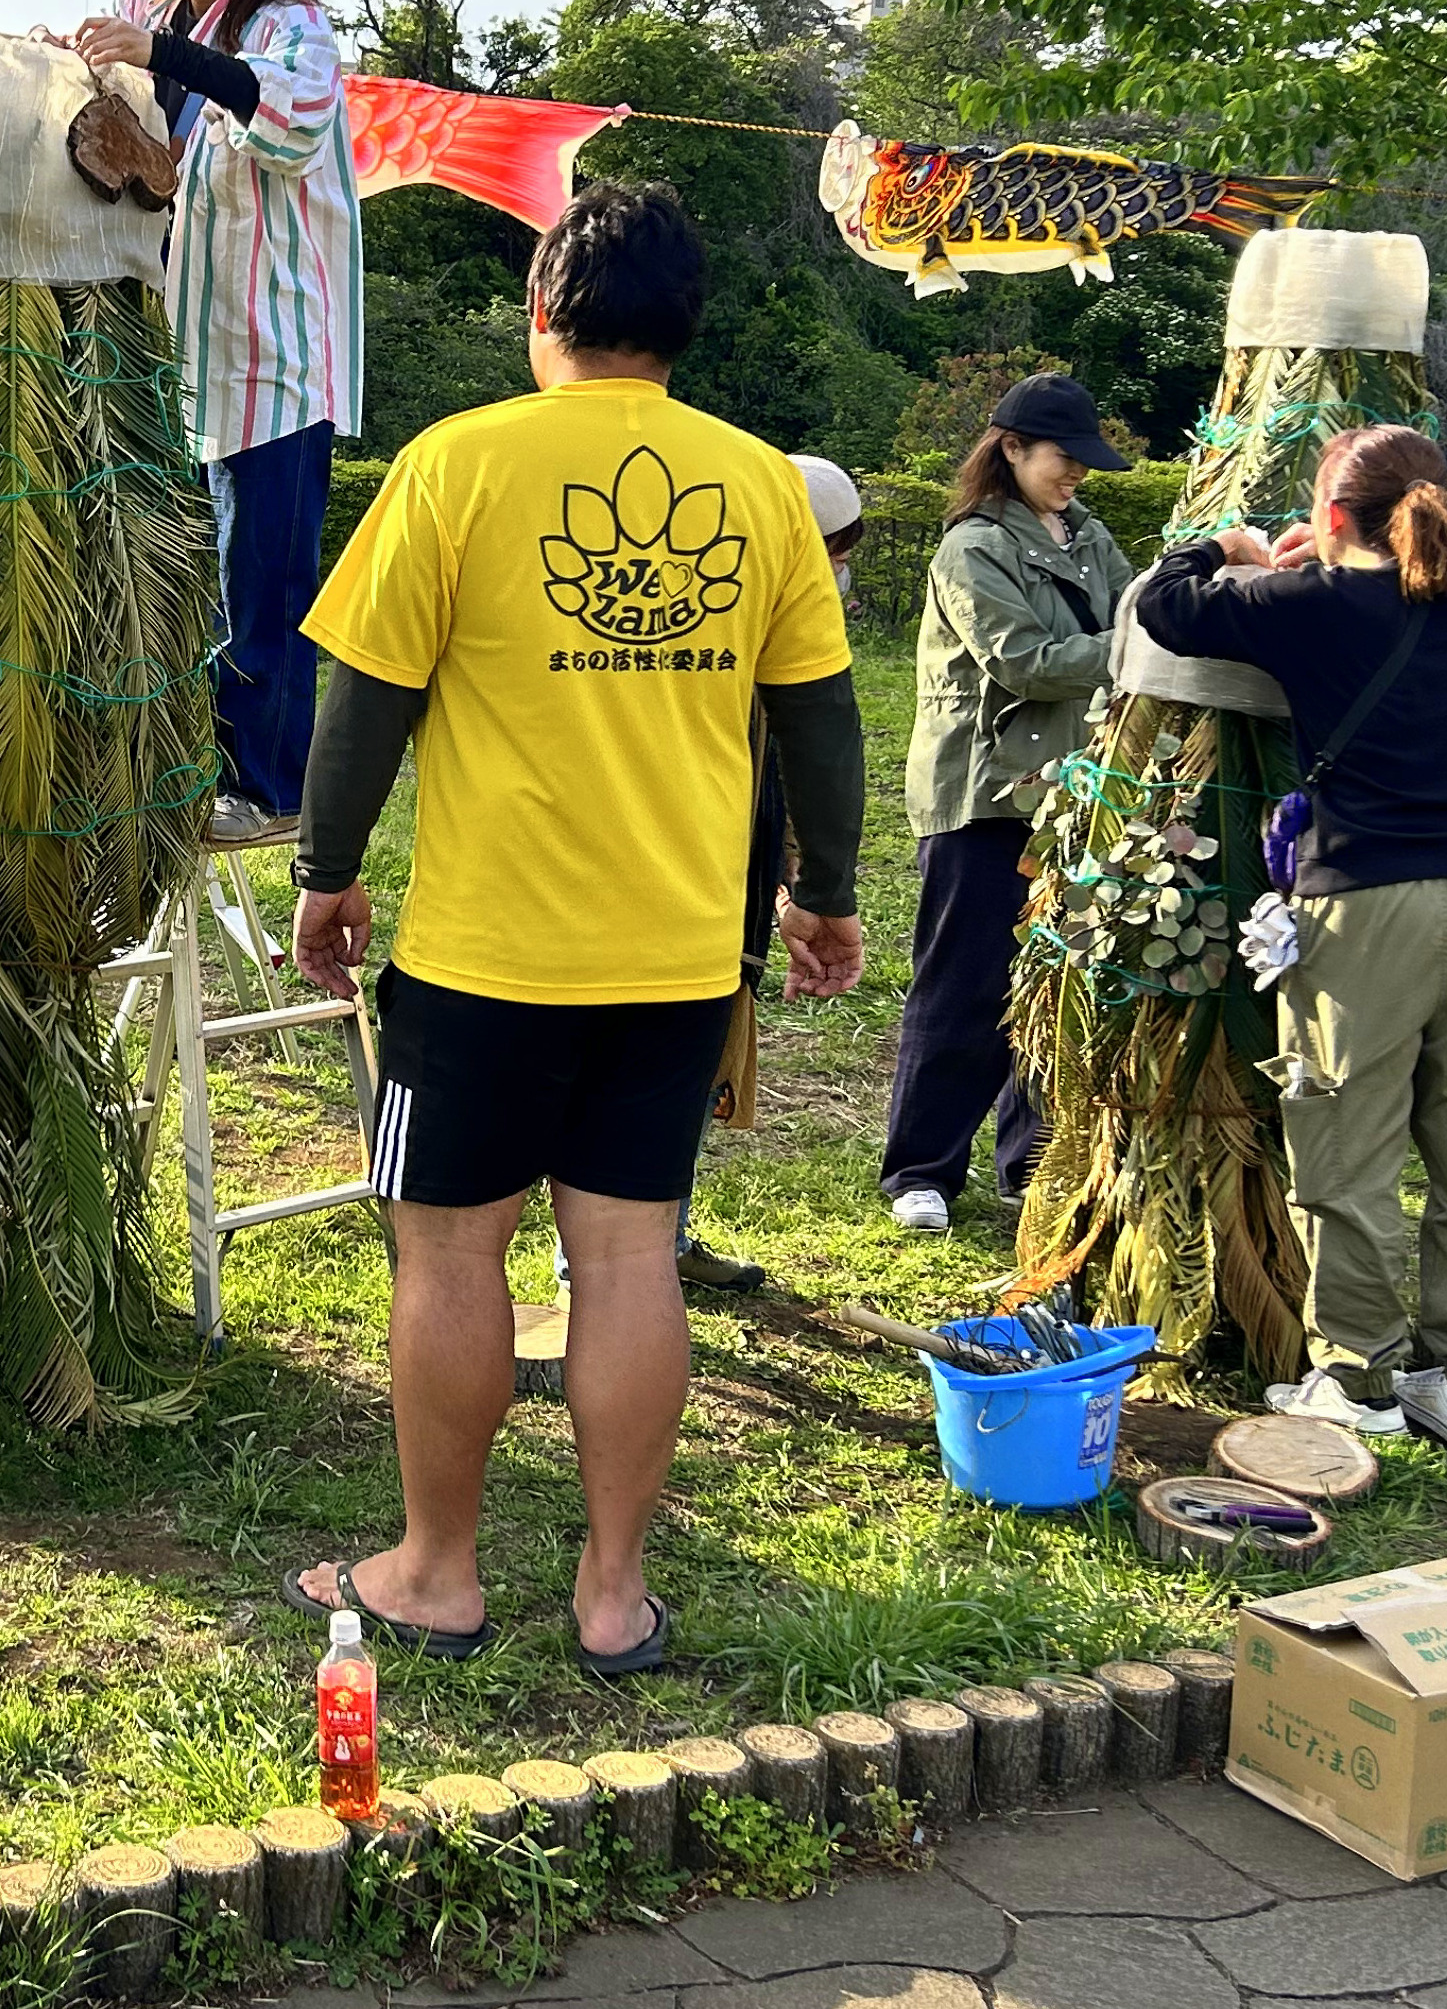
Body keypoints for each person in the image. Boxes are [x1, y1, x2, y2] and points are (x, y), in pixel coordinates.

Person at [280, 182, 866, 1669]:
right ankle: (612, 1595)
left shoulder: (455, 462)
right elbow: (819, 719)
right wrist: (825, 894)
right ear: (683, 328)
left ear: (541, 310)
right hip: (676, 963)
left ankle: (434, 1573)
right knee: (626, 1261)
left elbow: (365, 698)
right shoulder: (760, 487)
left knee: (446, 1254)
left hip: (481, 964)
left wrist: (327, 870)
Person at [1135, 427, 1447, 1456]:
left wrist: (1230, 550)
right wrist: (1332, 551)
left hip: (1362, 904)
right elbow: (1398, 595)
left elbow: (1163, 606)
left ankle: (1356, 1374)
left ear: (1333, 514)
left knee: (1344, 1146)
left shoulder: (1302, 604)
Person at [69, 0, 364, 845]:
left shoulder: (291, 26)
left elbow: (289, 124)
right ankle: (197, 767)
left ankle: (270, 790)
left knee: (262, 588)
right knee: (195, 583)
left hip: (276, 359)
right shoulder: (154, 8)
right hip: (188, 359)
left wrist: (160, 54)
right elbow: (94, 55)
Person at [559, 452, 870, 1304]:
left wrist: (791, 883)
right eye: (831, 554)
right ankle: (597, 1263)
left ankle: (662, 1236)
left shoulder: (784, 627)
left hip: (731, 878)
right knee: (627, 1065)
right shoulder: (691, 616)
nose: (836, 576)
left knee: (699, 1062)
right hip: (653, 878)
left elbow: (795, 766)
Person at [883, 373, 1134, 1231]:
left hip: (1071, 792)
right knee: (964, 988)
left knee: (1055, 983)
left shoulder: (1089, 536)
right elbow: (1022, 660)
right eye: (1065, 457)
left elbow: (1128, 614)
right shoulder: (972, 547)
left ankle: (1028, 1164)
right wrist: (1139, 643)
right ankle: (919, 1171)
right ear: (1012, 449)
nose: (1077, 474)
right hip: (983, 795)